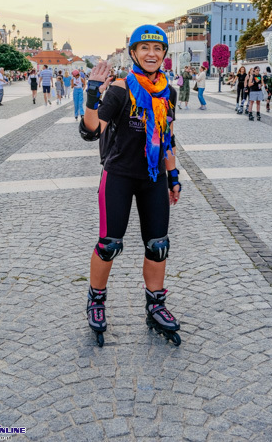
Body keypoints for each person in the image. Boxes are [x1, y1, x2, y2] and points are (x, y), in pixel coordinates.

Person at [79, 24, 182, 347]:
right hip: (119, 176)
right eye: (145, 49)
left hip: (154, 178)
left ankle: (156, 305)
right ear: (134, 53)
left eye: (158, 49)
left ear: (164, 55)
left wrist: (174, 176)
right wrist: (93, 95)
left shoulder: (168, 91)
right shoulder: (120, 91)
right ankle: (96, 301)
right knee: (109, 244)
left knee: (158, 245)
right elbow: (91, 131)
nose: (152, 54)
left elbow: (168, 138)